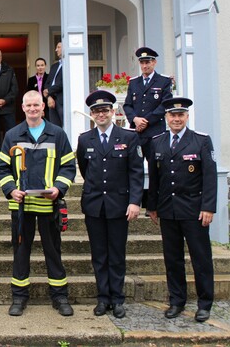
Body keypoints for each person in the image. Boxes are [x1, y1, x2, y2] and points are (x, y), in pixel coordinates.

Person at [0, 90, 76, 317]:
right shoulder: (12, 135)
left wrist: (58, 188)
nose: (32, 109)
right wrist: (11, 190)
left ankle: (60, 297)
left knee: (53, 252)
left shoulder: (57, 134)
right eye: (28, 105)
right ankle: (19, 297)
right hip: (21, 208)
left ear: (43, 107)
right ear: (22, 107)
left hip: (49, 206)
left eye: (36, 105)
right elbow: (2, 168)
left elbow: (68, 167)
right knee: (21, 253)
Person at [147, 97, 217, 323]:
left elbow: (210, 177)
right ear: (166, 118)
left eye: (180, 115)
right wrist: (152, 206)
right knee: (173, 259)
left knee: (201, 258)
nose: (176, 119)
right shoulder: (157, 142)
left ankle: (205, 303)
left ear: (186, 117)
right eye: (172, 115)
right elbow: (155, 178)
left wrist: (208, 207)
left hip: (194, 211)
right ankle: (177, 300)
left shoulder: (200, 141)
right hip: (168, 210)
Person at [76, 90, 144, 319]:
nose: (101, 114)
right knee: (98, 254)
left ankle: (117, 299)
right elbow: (86, 170)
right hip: (94, 205)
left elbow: (136, 172)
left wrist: (135, 202)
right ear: (92, 114)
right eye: (96, 111)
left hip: (119, 205)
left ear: (114, 112)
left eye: (105, 110)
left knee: (116, 254)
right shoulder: (85, 139)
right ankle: (102, 298)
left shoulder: (129, 137)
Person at [123, 47, 173, 162]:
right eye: (142, 62)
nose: (145, 66)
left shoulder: (164, 81)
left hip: (155, 133)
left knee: (155, 167)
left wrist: (145, 121)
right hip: (137, 133)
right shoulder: (134, 82)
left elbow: (165, 105)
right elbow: (127, 105)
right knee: (135, 167)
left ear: (154, 62)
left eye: (148, 62)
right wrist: (135, 119)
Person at [43, 42, 64, 127]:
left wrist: (49, 91)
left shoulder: (69, 65)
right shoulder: (54, 66)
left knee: (65, 125)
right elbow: (47, 83)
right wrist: (49, 97)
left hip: (62, 100)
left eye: (58, 47)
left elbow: (64, 83)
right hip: (52, 100)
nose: (56, 50)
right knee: (54, 127)